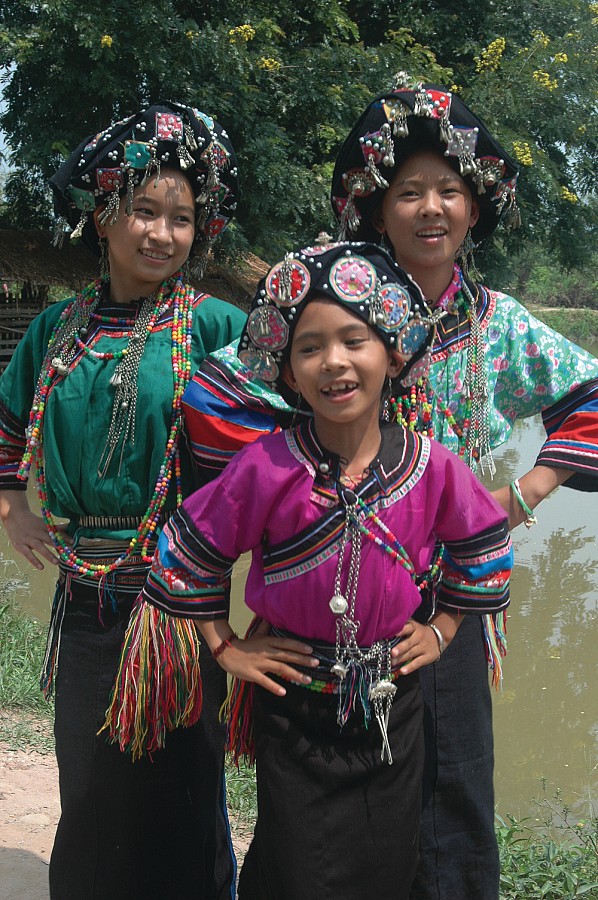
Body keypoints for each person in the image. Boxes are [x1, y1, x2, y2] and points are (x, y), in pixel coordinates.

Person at [111, 241, 514, 899]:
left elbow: (485, 551)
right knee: (298, 870)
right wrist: (226, 647)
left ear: (391, 352)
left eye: (355, 340)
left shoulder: (432, 465)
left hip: (392, 710)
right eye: (310, 348)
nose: (335, 362)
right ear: (289, 373)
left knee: (389, 864)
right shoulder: (265, 466)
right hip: (294, 711)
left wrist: (440, 631)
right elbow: (188, 555)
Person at [330, 76, 598, 899]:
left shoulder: (501, 324)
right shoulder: (335, 309)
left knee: (453, 799)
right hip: (335, 594)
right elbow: (240, 399)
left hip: (452, 593)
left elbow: (588, 395)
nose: (430, 208)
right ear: (378, 212)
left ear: (476, 209)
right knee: (344, 797)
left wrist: (521, 496)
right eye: (408, 191)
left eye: (449, 189)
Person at [0, 101, 247, 899]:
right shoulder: (56, 330)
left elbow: (297, 426)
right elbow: (6, 425)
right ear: (106, 217)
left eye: (181, 218)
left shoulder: (216, 328)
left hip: (181, 596)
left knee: (183, 786)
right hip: (86, 598)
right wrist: (10, 505)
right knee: (94, 785)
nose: (161, 234)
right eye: (144, 211)